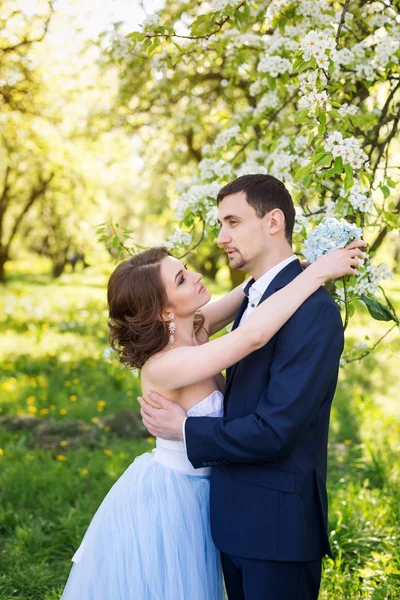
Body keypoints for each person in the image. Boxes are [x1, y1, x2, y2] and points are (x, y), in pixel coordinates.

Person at [60, 176, 365, 600]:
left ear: (273, 221)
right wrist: (316, 272)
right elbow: (251, 337)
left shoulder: (197, 329)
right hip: (178, 503)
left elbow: (254, 290)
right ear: (166, 309)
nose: (202, 268)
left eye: (232, 222)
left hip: (246, 514)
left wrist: (304, 264)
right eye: (183, 278)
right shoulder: (171, 361)